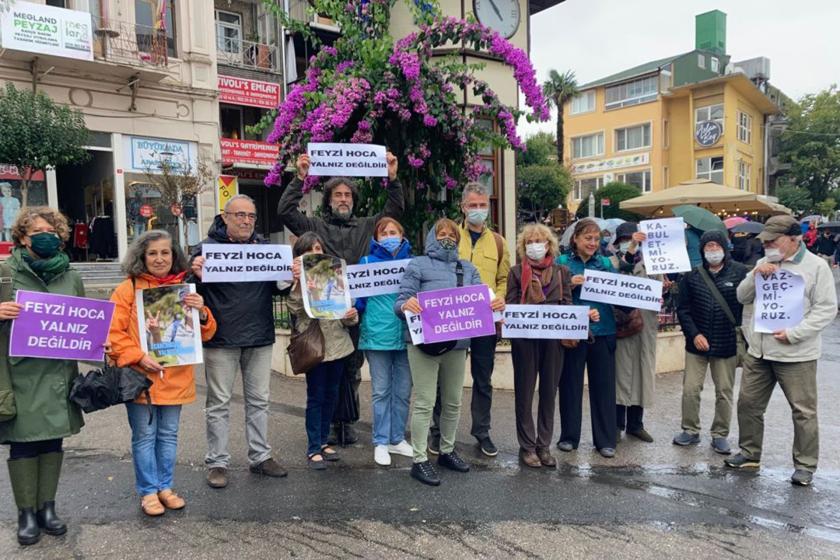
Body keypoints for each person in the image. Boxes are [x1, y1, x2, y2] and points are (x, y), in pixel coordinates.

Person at [279, 152, 402, 445]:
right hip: (321, 310)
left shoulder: (366, 226)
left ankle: (347, 422)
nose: (343, 199)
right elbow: (285, 211)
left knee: (352, 368)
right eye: (338, 194)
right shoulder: (316, 227)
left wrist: (392, 176)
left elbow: (394, 211)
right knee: (326, 368)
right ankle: (330, 427)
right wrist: (299, 177)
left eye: (348, 194)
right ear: (329, 199)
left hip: (354, 307)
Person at [108, 230, 216, 516]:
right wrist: (138, 357)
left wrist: (202, 312)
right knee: (144, 436)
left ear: (174, 255)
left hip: (175, 377)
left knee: (168, 435)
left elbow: (205, 333)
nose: (159, 258)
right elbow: (113, 334)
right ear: (142, 256)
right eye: (153, 253)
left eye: (165, 253)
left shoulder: (184, 288)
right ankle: (148, 491)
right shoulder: (127, 289)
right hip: (139, 379)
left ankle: (165, 487)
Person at [725, 215, 838, 486]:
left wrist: (795, 333)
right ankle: (750, 453)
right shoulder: (764, 263)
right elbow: (742, 296)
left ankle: (805, 465)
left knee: (803, 411)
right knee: (748, 404)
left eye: (773, 241)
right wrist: (754, 275)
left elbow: (826, 309)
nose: (767, 246)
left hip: (796, 353)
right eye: (765, 241)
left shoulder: (816, 267)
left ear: (794, 239)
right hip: (760, 351)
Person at [189, 195, 288, 489]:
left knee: (259, 400)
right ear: (225, 217)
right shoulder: (205, 251)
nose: (246, 221)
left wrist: (289, 276)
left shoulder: (264, 250)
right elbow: (186, 290)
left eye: (251, 216)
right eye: (240, 215)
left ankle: (260, 456)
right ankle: (217, 462)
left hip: (259, 335)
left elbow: (279, 291)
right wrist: (192, 272)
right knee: (218, 402)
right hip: (220, 339)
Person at [0, 207, 84, 545]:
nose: (46, 236)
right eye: (37, 231)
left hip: (58, 374)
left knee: (52, 441)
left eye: (51, 230)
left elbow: (84, 322)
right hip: (19, 372)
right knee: (23, 443)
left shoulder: (71, 276)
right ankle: (26, 513)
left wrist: (97, 340)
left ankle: (47, 508)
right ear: (22, 237)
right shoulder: (5, 274)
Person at [395, 218, 484, 486]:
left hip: (457, 344)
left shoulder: (467, 268)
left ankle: (446, 450)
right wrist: (405, 305)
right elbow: (400, 301)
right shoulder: (417, 265)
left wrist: (494, 303)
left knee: (453, 401)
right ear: (433, 236)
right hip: (423, 343)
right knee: (424, 401)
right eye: (441, 233)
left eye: (452, 235)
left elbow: (481, 299)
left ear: (458, 239)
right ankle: (420, 459)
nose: (447, 238)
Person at [433, 182, 508, 457]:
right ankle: (437, 431)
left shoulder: (499, 242)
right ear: (463, 207)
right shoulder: (449, 236)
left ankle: (482, 432)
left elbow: (503, 279)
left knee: (483, 379)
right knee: (445, 377)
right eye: (472, 205)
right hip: (453, 318)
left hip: (485, 321)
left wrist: (501, 297)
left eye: (482, 205)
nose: (478, 210)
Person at [287, 232, 359, 469]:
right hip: (315, 347)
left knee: (332, 395)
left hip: (338, 345)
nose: (315, 253)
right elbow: (295, 309)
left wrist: (351, 315)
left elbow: (348, 316)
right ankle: (313, 447)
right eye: (308, 250)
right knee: (316, 397)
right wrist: (298, 283)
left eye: (318, 248)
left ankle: (324, 441)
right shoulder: (297, 279)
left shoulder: (334, 275)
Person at [674, 230, 748, 454]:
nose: (713, 251)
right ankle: (690, 429)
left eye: (716, 246)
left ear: (725, 248)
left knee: (724, 391)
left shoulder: (740, 273)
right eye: (708, 247)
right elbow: (683, 309)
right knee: (690, 389)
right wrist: (694, 334)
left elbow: (750, 300)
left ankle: (720, 434)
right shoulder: (692, 276)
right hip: (697, 343)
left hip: (726, 343)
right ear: (702, 250)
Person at [505, 223, 571, 468]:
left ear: (549, 244)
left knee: (548, 393)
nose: (535, 245)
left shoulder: (561, 272)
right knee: (524, 393)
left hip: (553, 342)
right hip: (524, 342)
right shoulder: (514, 273)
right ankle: (527, 447)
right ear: (524, 247)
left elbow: (567, 304)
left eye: (539, 240)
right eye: (530, 241)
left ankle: (544, 445)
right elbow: (511, 304)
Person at [355, 218, 414, 466]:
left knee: (402, 392)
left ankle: (396, 438)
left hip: (406, 336)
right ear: (376, 238)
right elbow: (359, 299)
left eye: (394, 232)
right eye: (384, 233)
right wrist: (352, 311)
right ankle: (381, 441)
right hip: (377, 336)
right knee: (381, 392)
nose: (389, 236)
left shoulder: (413, 264)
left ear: (402, 236)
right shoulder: (367, 263)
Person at [555, 218, 614, 458]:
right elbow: (551, 292)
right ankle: (569, 437)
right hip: (573, 332)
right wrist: (569, 283)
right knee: (569, 386)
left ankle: (606, 440)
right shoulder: (562, 263)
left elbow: (622, 291)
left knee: (604, 388)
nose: (592, 243)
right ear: (575, 239)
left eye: (596, 239)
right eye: (588, 238)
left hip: (604, 330)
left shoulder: (607, 264)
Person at [611, 223, 661, 443]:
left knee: (642, 374)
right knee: (620, 375)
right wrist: (630, 251)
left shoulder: (653, 264)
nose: (629, 243)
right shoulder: (612, 263)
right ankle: (616, 424)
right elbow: (621, 273)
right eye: (625, 239)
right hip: (622, 326)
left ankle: (636, 424)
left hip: (645, 327)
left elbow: (659, 292)